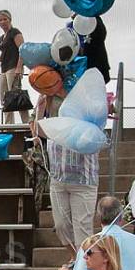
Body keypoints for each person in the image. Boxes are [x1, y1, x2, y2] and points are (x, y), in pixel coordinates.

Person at [37, 90, 98, 258]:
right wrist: (41, 108)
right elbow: (37, 129)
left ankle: (83, 264)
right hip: (58, 180)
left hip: (83, 182)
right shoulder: (54, 126)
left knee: (83, 228)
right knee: (61, 225)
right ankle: (75, 257)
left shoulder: (87, 124)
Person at [0, 10, 27, 124]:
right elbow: (3, 57)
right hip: (4, 69)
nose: (3, 22)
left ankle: (27, 122)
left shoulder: (15, 32)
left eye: (5, 19)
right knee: (5, 99)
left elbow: (22, 50)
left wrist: (19, 67)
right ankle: (9, 124)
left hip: (14, 67)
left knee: (16, 96)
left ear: (10, 19)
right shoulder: (1, 38)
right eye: (0, 20)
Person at [81, 15, 110, 84]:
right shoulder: (76, 24)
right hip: (90, 67)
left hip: (95, 66)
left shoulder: (94, 21)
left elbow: (100, 37)